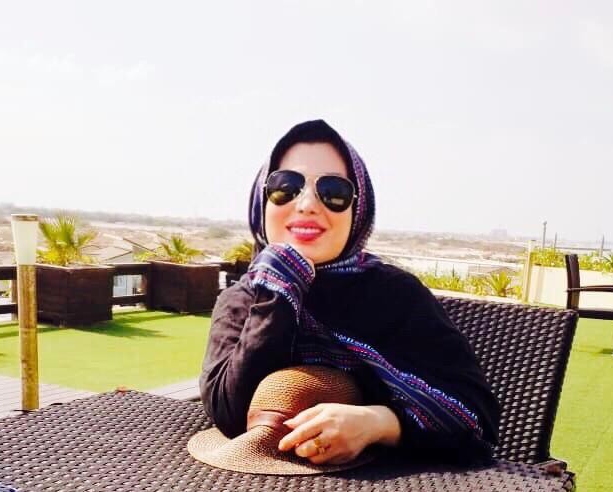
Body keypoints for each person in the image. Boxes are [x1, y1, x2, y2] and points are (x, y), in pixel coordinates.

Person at [200, 119, 499, 467]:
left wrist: (378, 424)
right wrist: (280, 288)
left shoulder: (395, 295)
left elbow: (477, 420)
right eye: (286, 187)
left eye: (334, 192)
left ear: (359, 211)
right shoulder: (244, 298)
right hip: (257, 486)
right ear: (261, 203)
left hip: (391, 491)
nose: (307, 204)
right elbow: (229, 412)